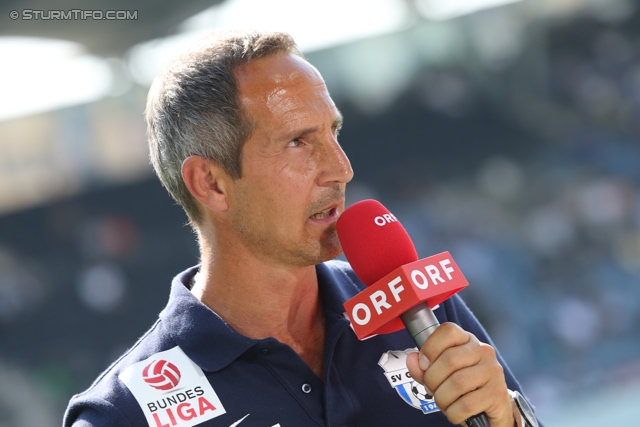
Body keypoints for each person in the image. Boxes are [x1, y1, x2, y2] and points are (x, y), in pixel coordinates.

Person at [64, 30, 542, 427]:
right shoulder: (123, 414)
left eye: (333, 133)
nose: (341, 168)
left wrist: (508, 417)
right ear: (210, 183)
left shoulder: (419, 305)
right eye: (297, 141)